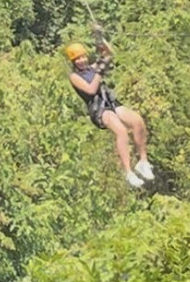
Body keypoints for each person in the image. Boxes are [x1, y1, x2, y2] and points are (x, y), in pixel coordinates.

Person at [64, 41, 154, 188]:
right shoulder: (74, 76)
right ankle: (129, 173)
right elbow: (91, 90)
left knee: (137, 121)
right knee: (122, 132)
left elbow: (109, 54)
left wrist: (101, 40)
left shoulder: (92, 68)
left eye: (82, 57)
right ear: (73, 62)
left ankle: (143, 162)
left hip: (110, 103)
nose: (81, 61)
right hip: (99, 109)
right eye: (77, 59)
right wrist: (99, 72)